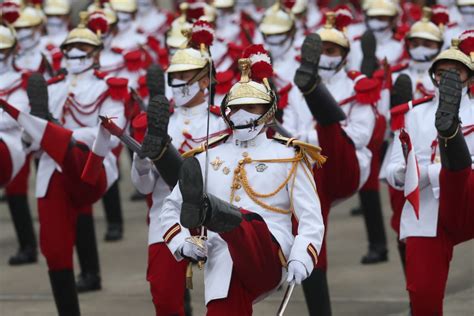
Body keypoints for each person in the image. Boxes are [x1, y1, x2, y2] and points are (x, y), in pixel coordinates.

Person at [159, 52, 325, 316]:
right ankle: (213, 215)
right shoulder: (206, 155)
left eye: (252, 107)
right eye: (235, 108)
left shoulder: (288, 155)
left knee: (245, 223)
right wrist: (182, 243)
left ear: (268, 111)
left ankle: (215, 213)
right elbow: (169, 209)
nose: (241, 114)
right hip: (222, 258)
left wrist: (303, 255)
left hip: (268, 253)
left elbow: (311, 218)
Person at [0, 12, 127, 315]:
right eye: (69, 49)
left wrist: (61, 132)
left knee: (69, 151)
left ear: (97, 52)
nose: (74, 55)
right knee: (55, 249)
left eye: (83, 49)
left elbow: (113, 132)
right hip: (51, 168)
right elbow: (29, 141)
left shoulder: (109, 86)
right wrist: (40, 132)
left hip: (92, 163)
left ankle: (94, 265)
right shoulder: (51, 85)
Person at [130, 19, 227, 316]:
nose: (179, 84)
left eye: (187, 76)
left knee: (225, 296)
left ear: (205, 79)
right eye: (175, 77)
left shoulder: (223, 119)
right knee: (164, 298)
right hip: (167, 215)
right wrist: (143, 159)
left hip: (216, 213)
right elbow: (143, 187)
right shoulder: (161, 121)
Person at [385, 39, 473, 315]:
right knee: (422, 292)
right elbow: (394, 167)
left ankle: (450, 132)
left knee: (458, 168)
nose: (447, 78)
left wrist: (429, 173)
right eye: (442, 72)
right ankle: (448, 135)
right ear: (433, 76)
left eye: (455, 73)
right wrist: (402, 175)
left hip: (467, 197)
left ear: (469, 77)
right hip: (426, 208)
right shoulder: (413, 113)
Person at [0, 17, 37, 266]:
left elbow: (17, 116)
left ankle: (28, 246)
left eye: (2, 50)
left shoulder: (22, 78)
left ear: (13, 50)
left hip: (15, 143)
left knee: (16, 193)